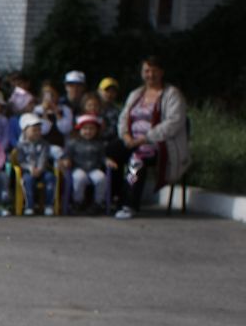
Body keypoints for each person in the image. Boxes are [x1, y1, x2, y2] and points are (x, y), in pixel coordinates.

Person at [114, 56, 189, 219]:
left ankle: (130, 203)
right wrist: (125, 135)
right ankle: (112, 197)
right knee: (110, 153)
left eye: (154, 71)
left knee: (136, 160)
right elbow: (123, 117)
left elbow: (173, 123)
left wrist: (144, 138)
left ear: (161, 73)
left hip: (159, 144)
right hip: (132, 140)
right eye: (147, 71)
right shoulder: (136, 94)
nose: (150, 75)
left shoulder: (172, 95)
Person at [62, 111, 112, 213]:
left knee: (101, 178)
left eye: (91, 129)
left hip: (94, 168)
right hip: (78, 168)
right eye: (85, 129)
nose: (88, 131)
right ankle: (77, 202)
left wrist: (107, 161)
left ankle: (98, 202)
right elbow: (67, 155)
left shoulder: (99, 143)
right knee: (79, 178)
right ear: (79, 129)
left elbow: (102, 157)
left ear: (96, 130)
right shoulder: (73, 142)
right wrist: (66, 160)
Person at [12, 113, 57, 216]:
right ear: (25, 131)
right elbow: (20, 160)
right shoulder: (20, 146)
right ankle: (29, 206)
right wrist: (30, 168)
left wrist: (40, 169)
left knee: (51, 178)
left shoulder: (44, 144)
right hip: (28, 171)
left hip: (42, 170)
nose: (37, 132)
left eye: (39, 130)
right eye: (34, 130)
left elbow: (44, 157)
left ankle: (49, 205)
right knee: (28, 180)